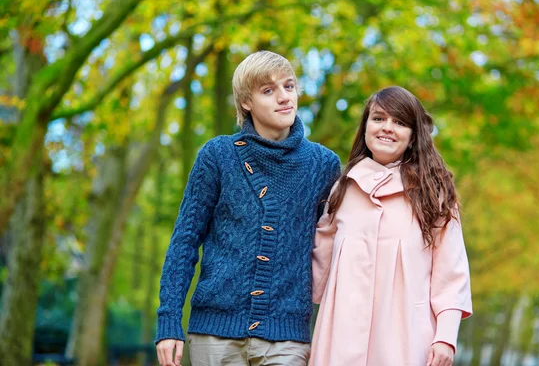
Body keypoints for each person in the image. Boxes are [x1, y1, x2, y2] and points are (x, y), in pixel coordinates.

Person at [155, 51, 341, 366]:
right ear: (246, 103)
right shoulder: (217, 156)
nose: (284, 98)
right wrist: (169, 321)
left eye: (289, 86)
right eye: (268, 91)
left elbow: (338, 248)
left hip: (287, 338)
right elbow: (185, 240)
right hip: (215, 335)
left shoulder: (323, 165)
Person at [310, 86, 472, 366]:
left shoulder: (434, 195)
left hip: (407, 341)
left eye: (399, 122)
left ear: (412, 137)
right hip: (339, 340)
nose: (387, 128)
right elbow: (315, 268)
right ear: (365, 127)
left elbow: (451, 274)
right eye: (378, 118)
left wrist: (445, 337)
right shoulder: (342, 190)